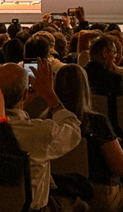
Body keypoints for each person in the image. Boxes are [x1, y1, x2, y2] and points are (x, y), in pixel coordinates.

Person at [53, 64, 123, 212]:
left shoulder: (46, 123)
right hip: (96, 194)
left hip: (58, 191)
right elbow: (122, 167)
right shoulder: (96, 122)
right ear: (86, 89)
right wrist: (116, 148)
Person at [0, 59, 86, 212]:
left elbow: (7, 120)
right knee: (80, 205)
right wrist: (49, 94)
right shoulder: (41, 132)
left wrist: (20, 103)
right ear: (25, 93)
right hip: (32, 209)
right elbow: (73, 130)